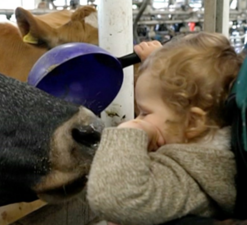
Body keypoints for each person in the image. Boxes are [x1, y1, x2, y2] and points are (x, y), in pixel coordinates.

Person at [86, 32, 243, 225]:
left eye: (144, 112)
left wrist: (130, 130)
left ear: (193, 122)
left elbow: (111, 198)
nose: (140, 119)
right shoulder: (207, 158)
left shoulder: (186, 177)